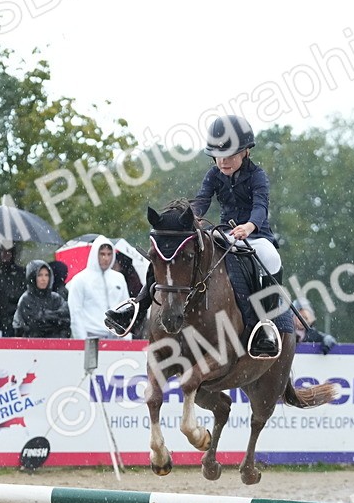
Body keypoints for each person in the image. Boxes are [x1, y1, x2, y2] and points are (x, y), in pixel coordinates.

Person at [105, 114, 283, 358]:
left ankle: (266, 325)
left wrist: (250, 226)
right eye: (218, 156)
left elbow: (260, 207)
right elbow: (201, 201)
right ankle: (136, 306)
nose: (223, 162)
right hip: (224, 233)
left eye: (230, 156)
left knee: (272, 258)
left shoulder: (257, 176)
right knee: (170, 250)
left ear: (246, 152)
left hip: (255, 235)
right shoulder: (213, 175)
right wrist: (191, 219)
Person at [68, 236, 128, 339]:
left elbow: (125, 309)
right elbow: (75, 313)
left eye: (109, 254)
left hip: (116, 338)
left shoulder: (119, 278)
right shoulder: (80, 279)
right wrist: (82, 340)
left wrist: (126, 337)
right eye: (102, 254)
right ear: (95, 254)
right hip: (91, 336)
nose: (106, 258)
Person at [11, 259, 70, 339]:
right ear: (32, 277)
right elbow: (34, 325)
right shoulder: (26, 299)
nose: (44, 279)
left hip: (56, 345)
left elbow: (66, 319)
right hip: (31, 345)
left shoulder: (56, 298)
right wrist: (54, 319)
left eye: (46, 275)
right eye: (40, 275)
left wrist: (46, 316)